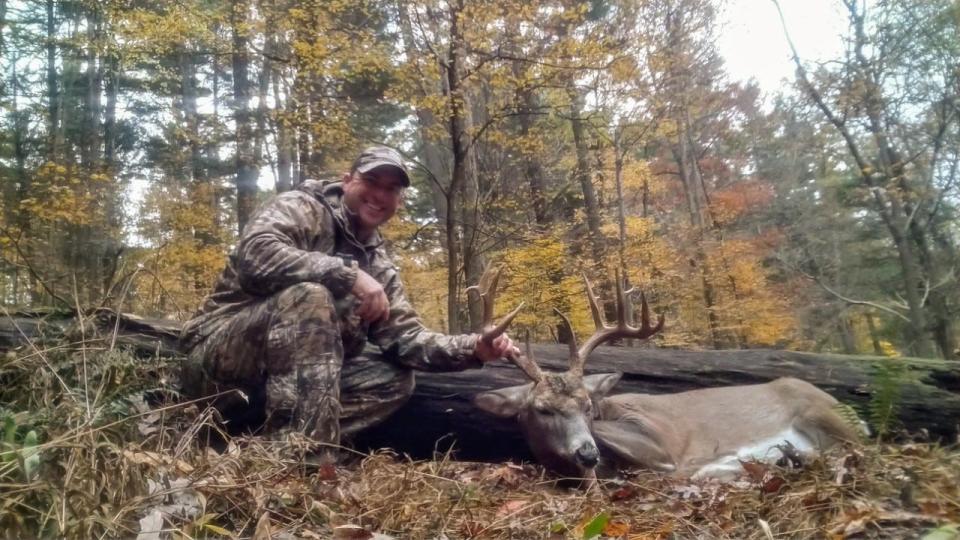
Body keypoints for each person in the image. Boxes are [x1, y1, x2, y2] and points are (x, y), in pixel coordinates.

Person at [179, 146, 517, 460]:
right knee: (309, 298)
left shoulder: (379, 264)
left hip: (284, 386)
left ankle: (269, 449)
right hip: (216, 361)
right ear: (347, 181)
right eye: (372, 182)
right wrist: (348, 275)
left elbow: (407, 339)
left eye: (392, 189)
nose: (380, 195)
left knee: (394, 378)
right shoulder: (302, 207)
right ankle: (303, 459)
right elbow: (255, 256)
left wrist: (473, 348)